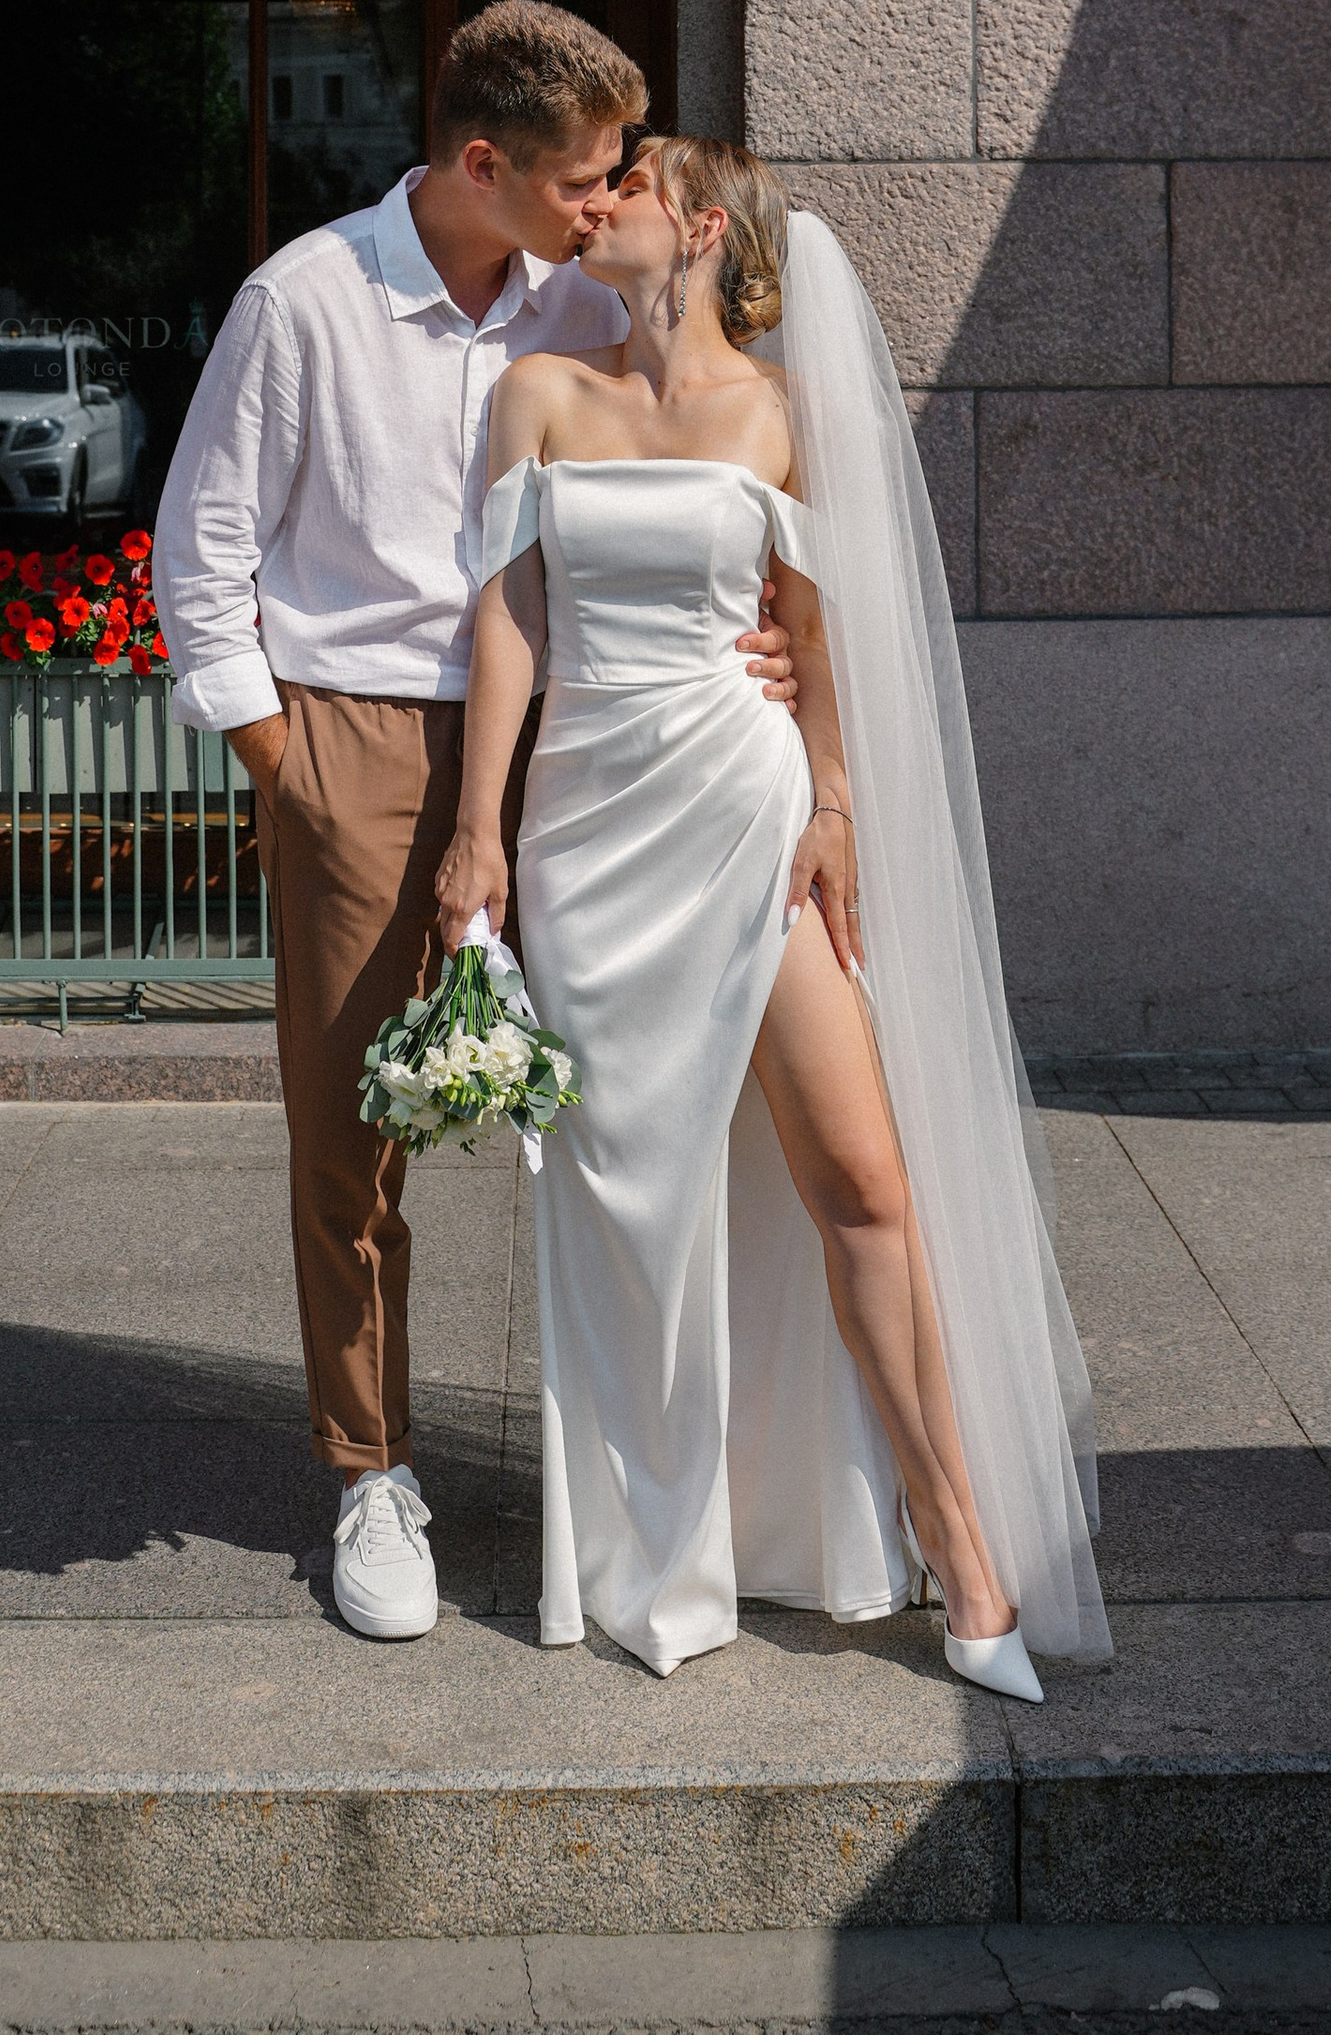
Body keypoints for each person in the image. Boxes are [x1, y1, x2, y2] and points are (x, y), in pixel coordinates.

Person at [153, 7, 798, 1644]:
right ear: (484, 163)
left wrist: (766, 628)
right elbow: (201, 553)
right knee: (356, 1125)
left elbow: (704, 450)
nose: (607, 205)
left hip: (588, 739)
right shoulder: (302, 301)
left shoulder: (589, 290)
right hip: (358, 732)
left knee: (642, 1105)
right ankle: (372, 1472)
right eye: (583, 179)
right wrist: (288, 769)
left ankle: (656, 1468)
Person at [436, 138, 1109, 1692]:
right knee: (632, 1204)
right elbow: (513, 615)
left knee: (864, 1180)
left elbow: (814, 635)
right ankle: (661, 1551)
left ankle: (962, 1547)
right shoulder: (539, 393)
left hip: (744, 810)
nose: (594, 204)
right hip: (593, 828)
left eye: (632, 188)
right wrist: (481, 835)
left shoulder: (785, 417)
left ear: (707, 226)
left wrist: (835, 806)